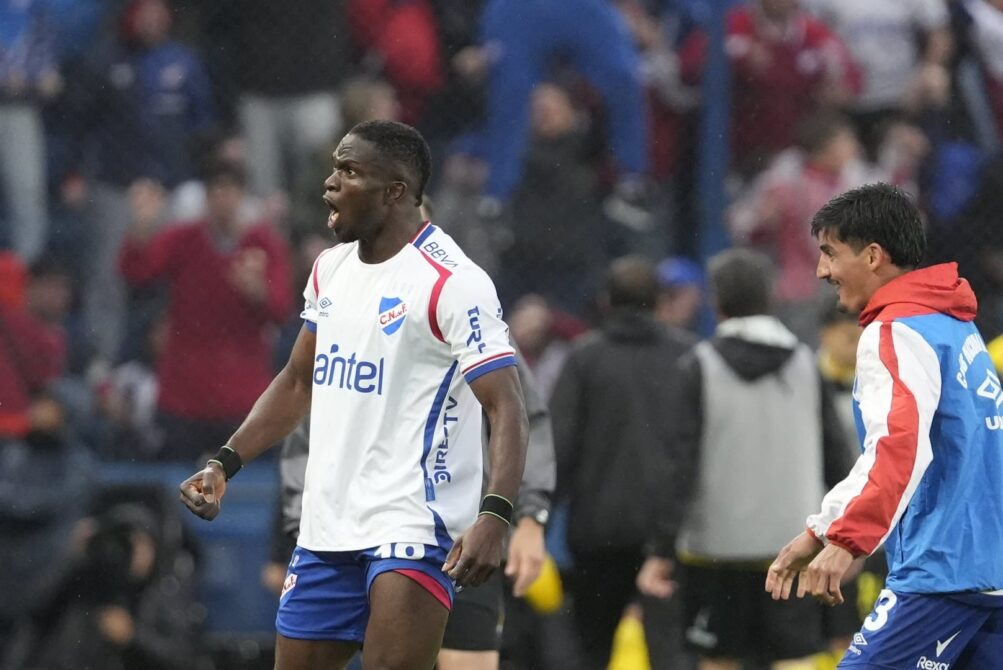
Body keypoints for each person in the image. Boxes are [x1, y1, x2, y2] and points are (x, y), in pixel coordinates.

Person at [178, 120, 528, 670]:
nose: (330, 183)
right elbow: (298, 381)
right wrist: (225, 463)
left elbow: (507, 406)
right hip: (327, 527)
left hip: (413, 524)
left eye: (349, 171)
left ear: (394, 192)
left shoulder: (453, 282)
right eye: (334, 169)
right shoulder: (330, 268)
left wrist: (496, 514)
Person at [766, 183, 1003, 668]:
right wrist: (821, 530)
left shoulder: (895, 330)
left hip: (942, 572)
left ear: (873, 256)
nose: (821, 270)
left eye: (830, 253)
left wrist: (845, 540)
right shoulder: (953, 325)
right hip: (988, 569)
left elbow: (898, 448)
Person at [637, 248, 851, 670]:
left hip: (714, 550)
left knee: (719, 657)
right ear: (770, 297)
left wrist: (660, 550)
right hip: (794, 545)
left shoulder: (699, 366)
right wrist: (846, 539)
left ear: (716, 302)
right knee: (796, 656)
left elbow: (680, 467)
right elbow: (838, 460)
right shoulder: (807, 365)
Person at [551, 255, 697, 669]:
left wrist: (536, 519)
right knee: (671, 653)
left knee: (591, 649)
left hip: (597, 536)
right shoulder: (689, 356)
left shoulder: (584, 358)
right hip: (670, 535)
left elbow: (559, 448)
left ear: (605, 301)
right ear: (660, 301)